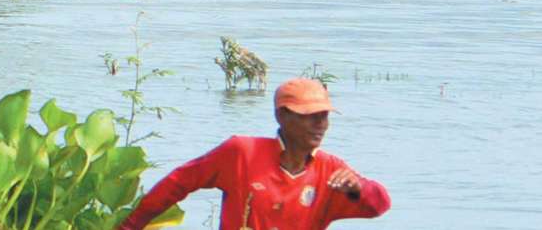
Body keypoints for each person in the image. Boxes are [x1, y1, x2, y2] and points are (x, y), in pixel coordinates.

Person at [119, 78, 390, 230]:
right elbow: (179, 182)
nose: (321, 125)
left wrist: (359, 189)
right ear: (281, 115)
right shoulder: (241, 153)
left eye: (324, 117)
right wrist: (131, 227)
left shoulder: (330, 170)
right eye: (311, 117)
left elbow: (378, 206)